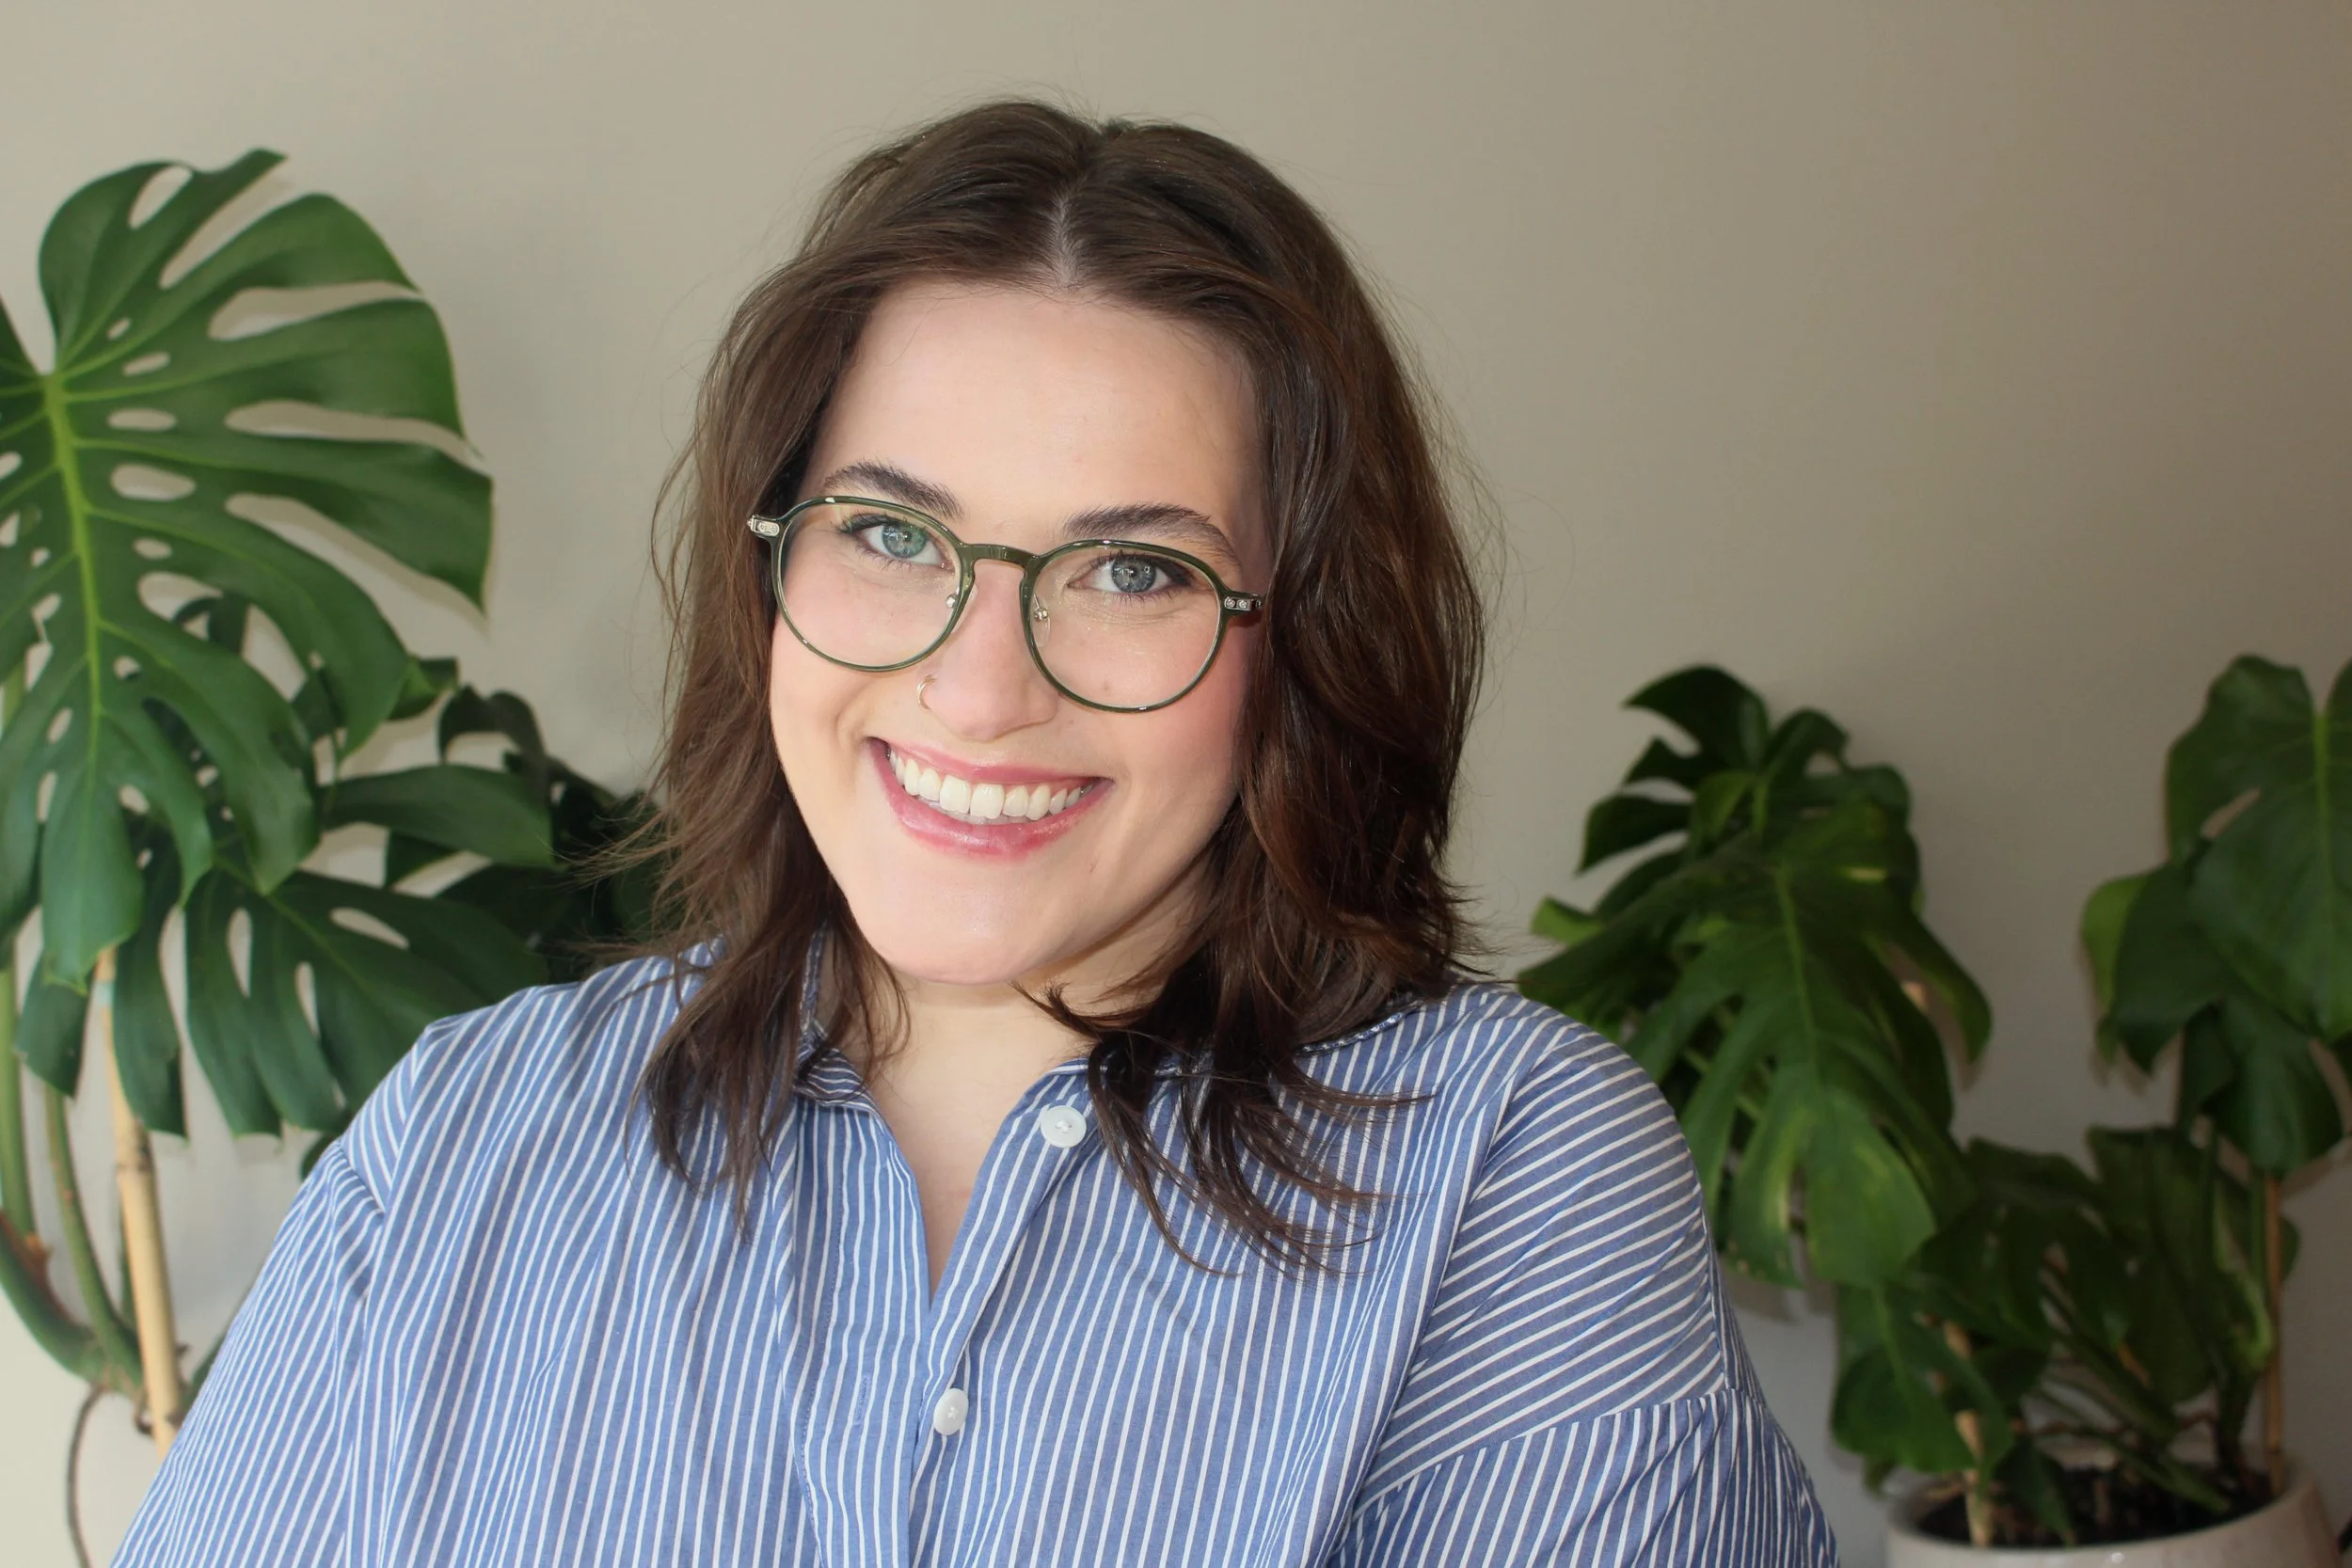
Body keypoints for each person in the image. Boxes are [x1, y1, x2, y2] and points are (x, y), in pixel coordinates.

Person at [117, 100, 1836, 1565]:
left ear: (1300, 640)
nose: (979, 685)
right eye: (888, 534)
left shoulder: (1507, 1175)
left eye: (1135, 570)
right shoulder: (460, 1146)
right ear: (770, 569)